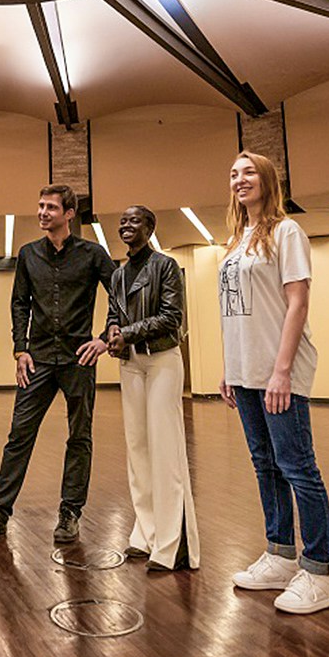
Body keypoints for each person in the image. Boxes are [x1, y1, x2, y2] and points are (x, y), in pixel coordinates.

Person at [215, 151, 329, 613]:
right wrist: (230, 366)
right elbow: (234, 312)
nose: (239, 179)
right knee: (264, 465)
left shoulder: (287, 232)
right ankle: (281, 554)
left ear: (267, 180)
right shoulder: (235, 242)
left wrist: (281, 370)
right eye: (234, 174)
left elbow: (298, 302)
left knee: (298, 467)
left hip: (278, 371)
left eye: (248, 172)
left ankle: (318, 572)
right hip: (245, 371)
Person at [0, 185, 115, 547]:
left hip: (79, 358)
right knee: (19, 435)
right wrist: (20, 349)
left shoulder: (93, 255)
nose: (43, 212)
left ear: (69, 213)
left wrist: (105, 339)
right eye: (41, 206)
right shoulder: (28, 254)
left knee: (79, 437)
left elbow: (121, 296)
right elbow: (20, 303)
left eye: (51, 207)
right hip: (39, 359)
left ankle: (70, 513)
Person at [104, 205, 200, 572]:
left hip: (161, 362)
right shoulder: (118, 274)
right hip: (131, 363)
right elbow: (114, 314)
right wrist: (113, 331)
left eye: (134, 220)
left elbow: (171, 317)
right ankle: (146, 532)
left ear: (150, 227)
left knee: (165, 448)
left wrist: (126, 333)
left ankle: (172, 544)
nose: (126, 225)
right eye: (122, 221)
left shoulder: (165, 266)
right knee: (138, 448)